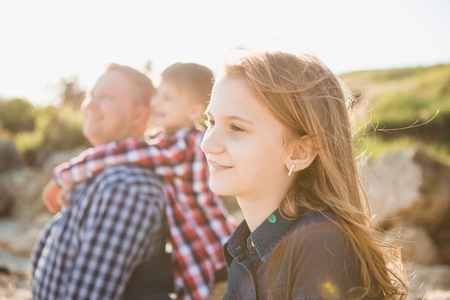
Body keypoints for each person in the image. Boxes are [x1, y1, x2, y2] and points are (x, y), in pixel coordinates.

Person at [200, 48, 409, 299]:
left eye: (236, 127)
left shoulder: (321, 242)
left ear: (298, 152)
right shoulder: (245, 246)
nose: (207, 144)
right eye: (210, 122)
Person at [44, 62, 237, 299]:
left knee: (141, 283)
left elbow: (125, 152)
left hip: (210, 250)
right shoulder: (166, 138)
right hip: (202, 247)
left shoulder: (183, 145)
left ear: (194, 111)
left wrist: (63, 176)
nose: (155, 104)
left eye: (167, 98)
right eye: (157, 95)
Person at [31, 63, 171, 300]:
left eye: (106, 97)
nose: (91, 105)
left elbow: (88, 294)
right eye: (90, 95)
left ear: (141, 113)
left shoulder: (127, 187)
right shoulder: (99, 173)